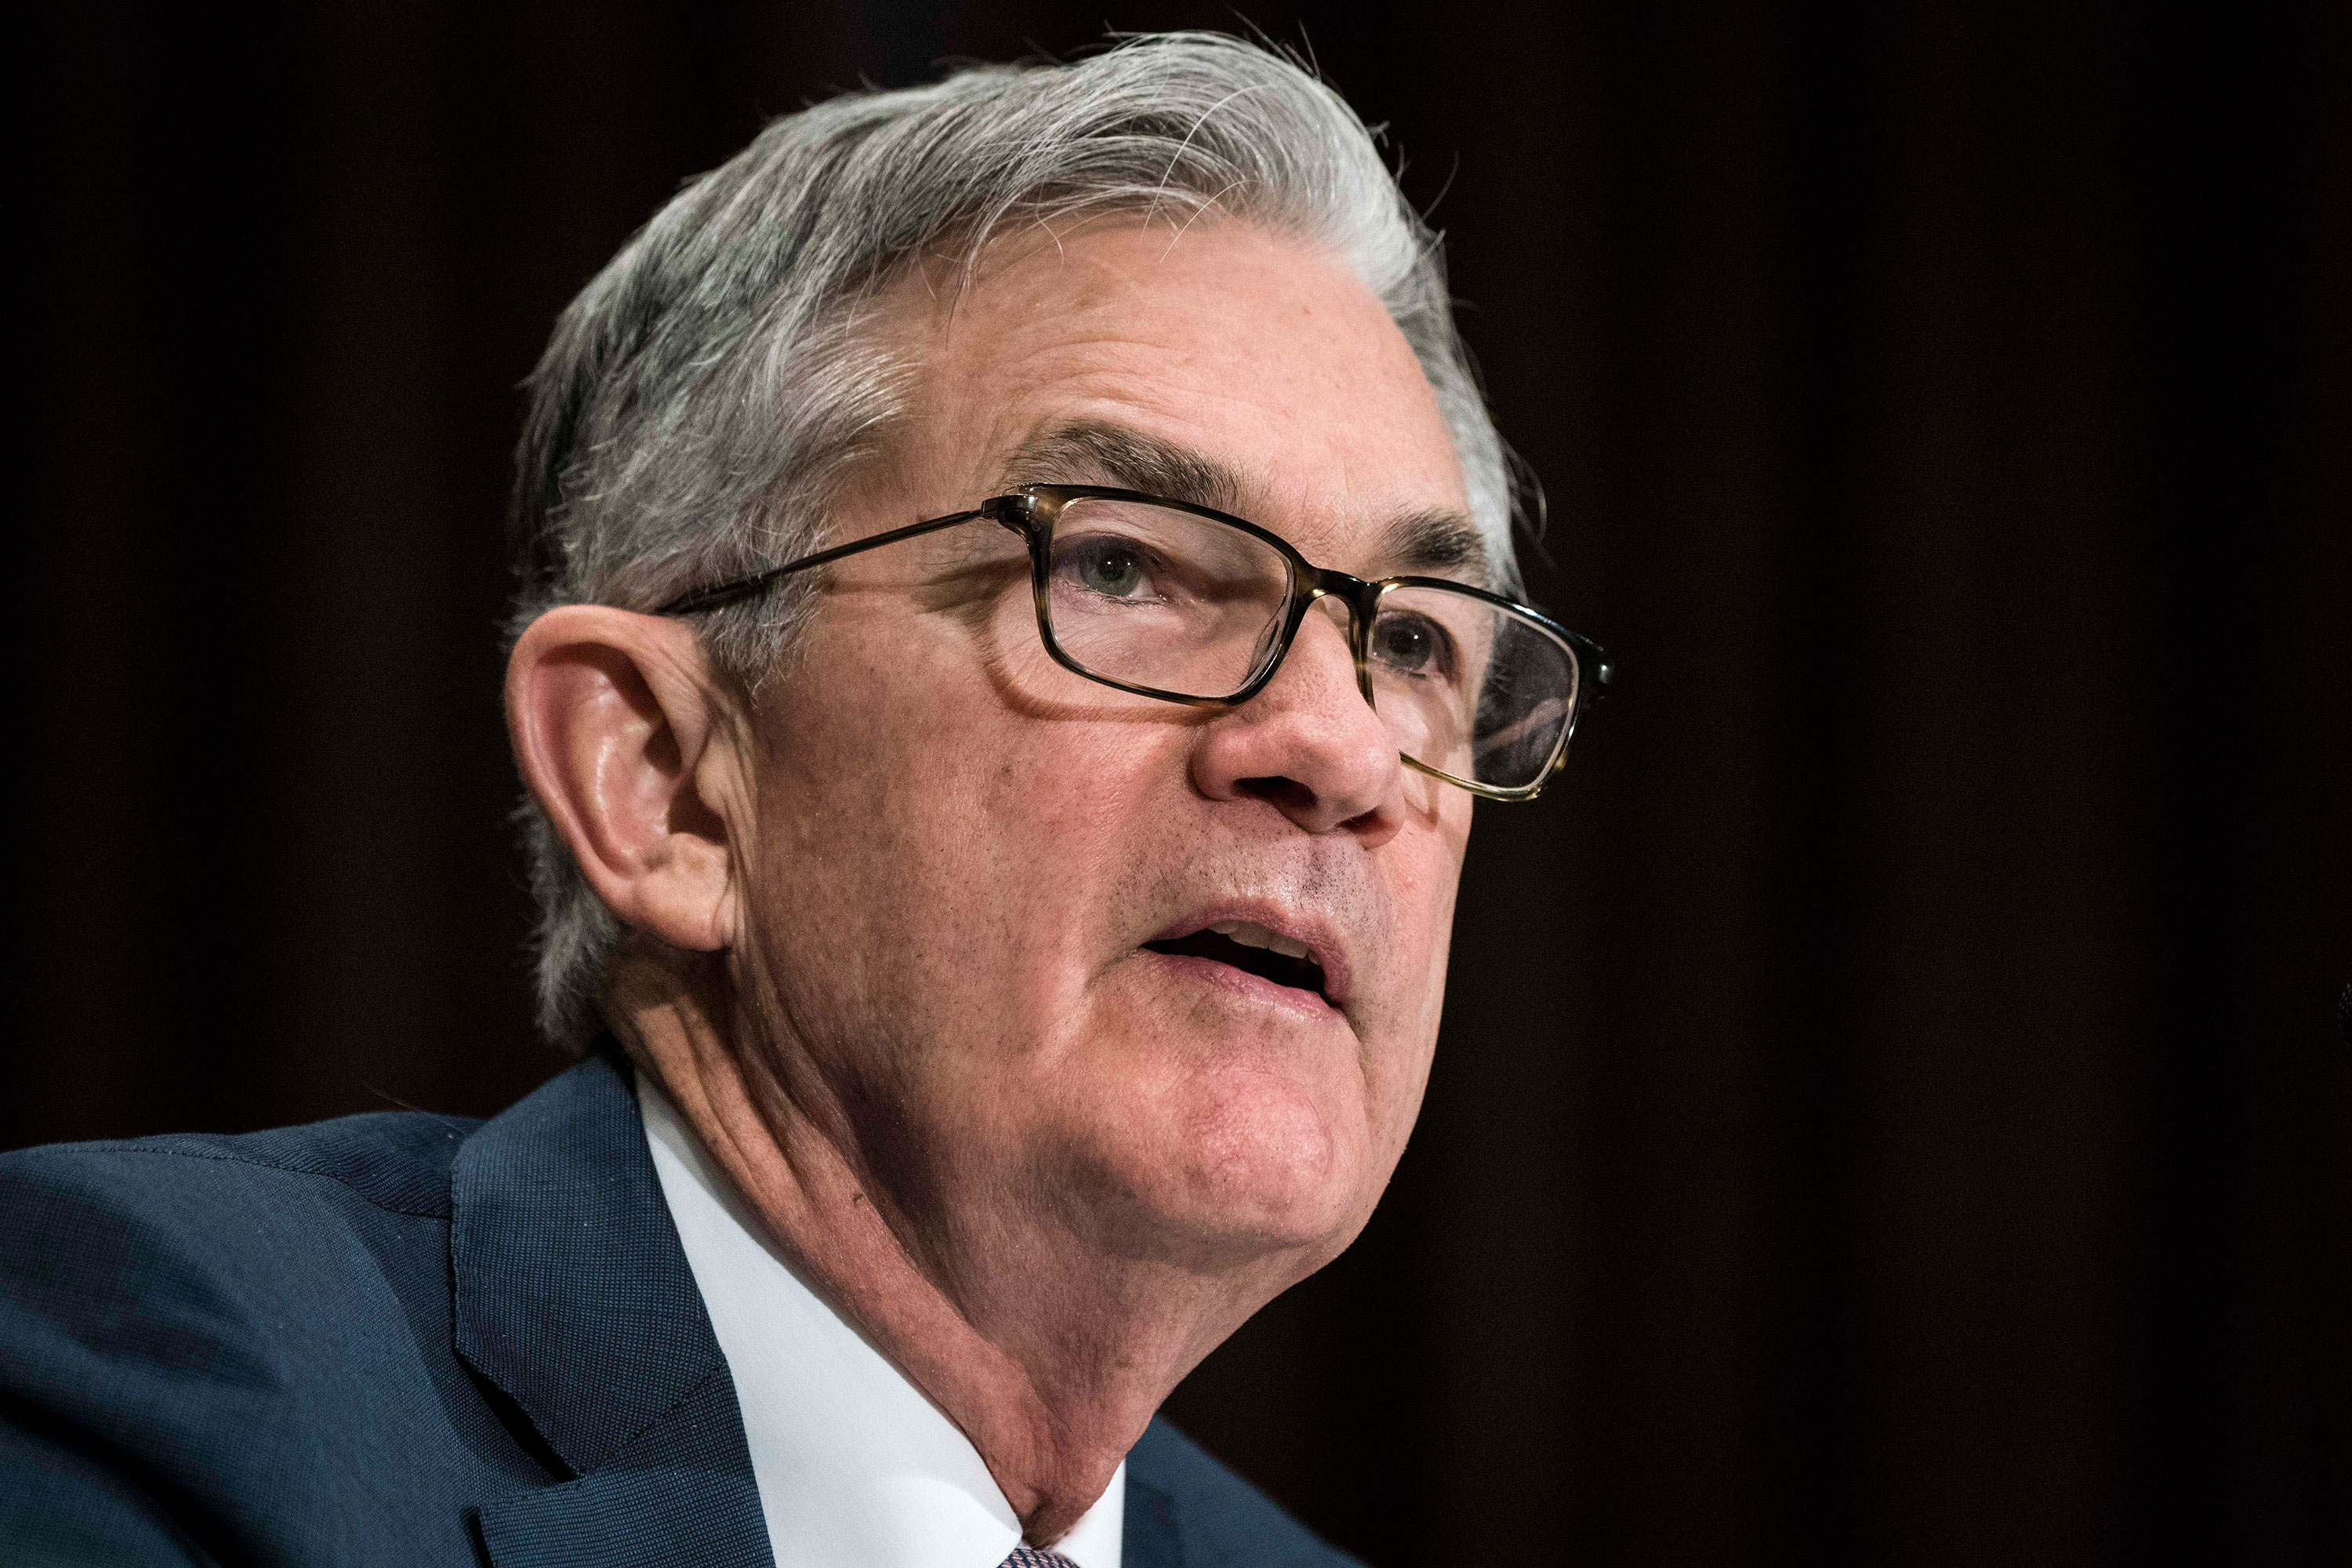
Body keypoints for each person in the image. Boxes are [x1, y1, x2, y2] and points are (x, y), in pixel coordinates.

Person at [0, 32, 1605, 1568]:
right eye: (1120, 566)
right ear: (666, 780)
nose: (1336, 746)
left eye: (1412, 642)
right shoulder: (169, 1396)